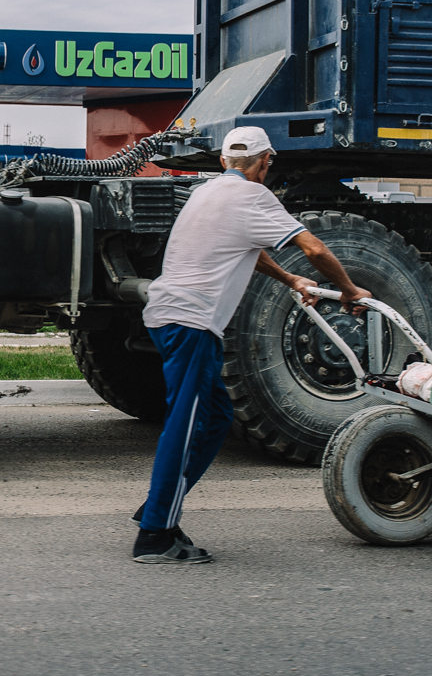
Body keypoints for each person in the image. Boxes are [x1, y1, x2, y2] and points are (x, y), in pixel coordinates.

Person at [131, 126, 372, 564]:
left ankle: (158, 509)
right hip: (191, 322)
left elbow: (247, 247)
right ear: (266, 162)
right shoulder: (254, 197)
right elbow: (315, 248)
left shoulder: (206, 193)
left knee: (218, 418)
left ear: (224, 161)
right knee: (186, 428)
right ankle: (154, 536)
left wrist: (289, 279)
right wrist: (351, 289)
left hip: (171, 316)